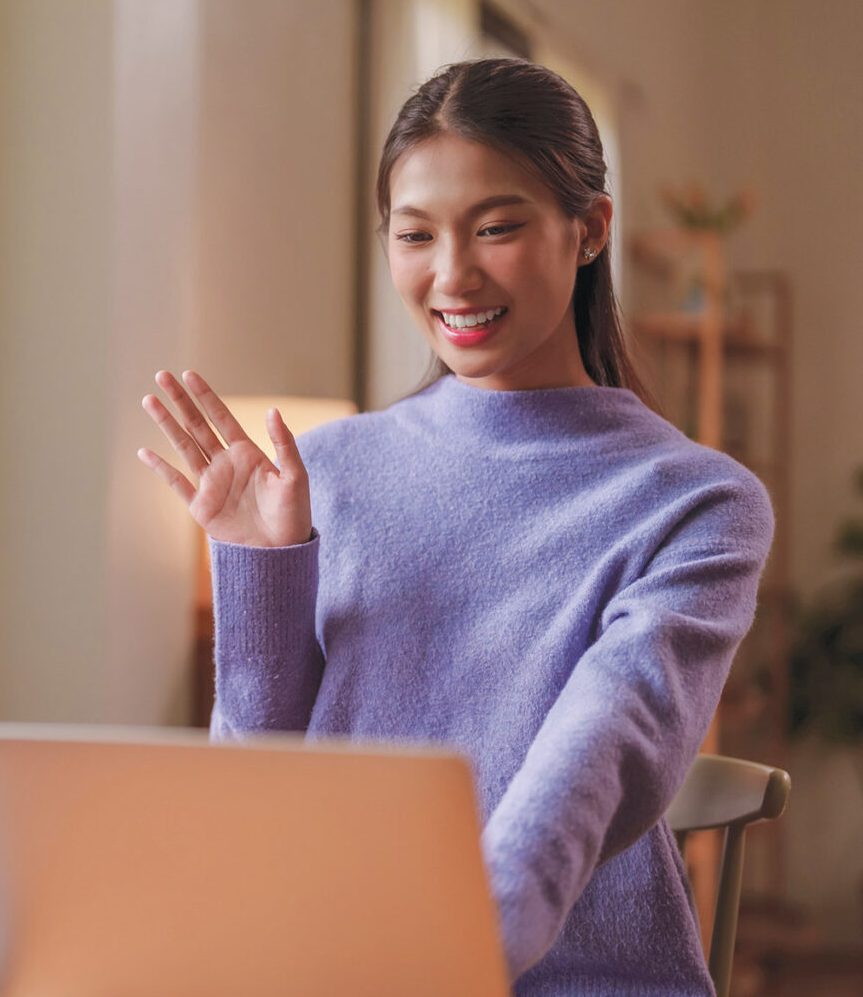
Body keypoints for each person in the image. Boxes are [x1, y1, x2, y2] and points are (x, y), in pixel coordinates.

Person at [137, 58, 774, 995]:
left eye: (498, 228)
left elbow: (603, 744)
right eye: (415, 235)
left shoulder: (694, 503)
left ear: (590, 229)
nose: (451, 274)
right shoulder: (330, 472)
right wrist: (259, 563)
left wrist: (456, 940)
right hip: (338, 969)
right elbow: (261, 792)